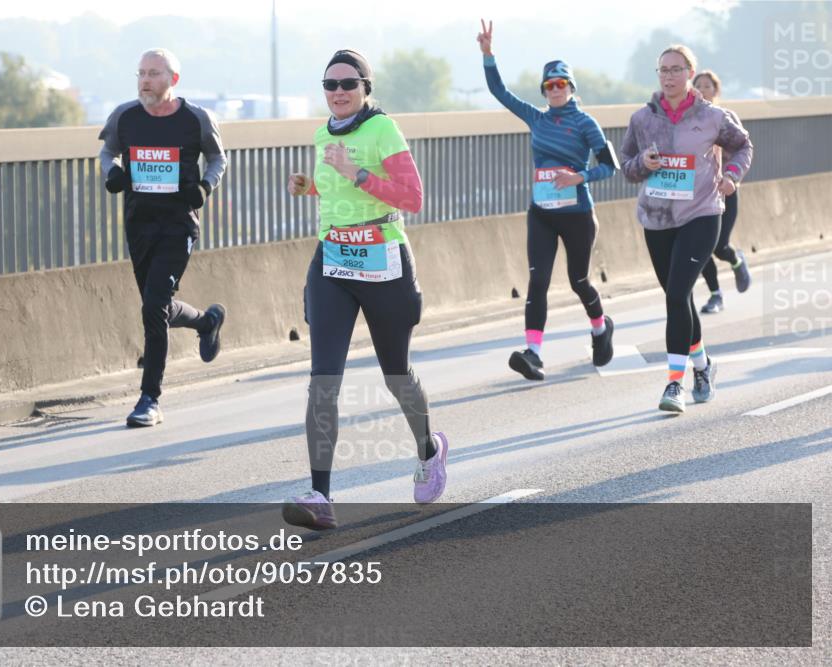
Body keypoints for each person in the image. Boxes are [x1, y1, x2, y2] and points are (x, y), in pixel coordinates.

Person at [281, 49, 447, 530]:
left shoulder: (382, 130)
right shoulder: (320, 133)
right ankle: (320, 495)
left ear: (365, 88)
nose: (338, 93)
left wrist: (356, 171)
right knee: (323, 379)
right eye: (329, 85)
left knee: (396, 374)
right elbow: (341, 195)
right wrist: (311, 186)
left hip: (384, 264)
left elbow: (412, 198)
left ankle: (428, 448)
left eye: (348, 84)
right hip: (333, 261)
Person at [477, 19, 619, 382]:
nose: (555, 89)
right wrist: (488, 54)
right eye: (549, 85)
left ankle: (601, 327)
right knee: (537, 281)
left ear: (571, 88)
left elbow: (609, 166)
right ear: (544, 91)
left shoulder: (586, 123)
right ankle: (533, 353)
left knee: (579, 281)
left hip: (577, 214)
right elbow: (500, 92)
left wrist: (579, 177)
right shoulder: (537, 119)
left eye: (561, 84)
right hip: (541, 213)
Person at [99, 48, 228, 427]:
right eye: (140, 73)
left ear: (173, 79)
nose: (145, 80)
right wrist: (113, 172)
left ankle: (149, 398)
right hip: (139, 223)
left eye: (154, 73)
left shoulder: (197, 118)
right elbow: (108, 152)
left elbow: (218, 158)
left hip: (178, 225)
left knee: (154, 306)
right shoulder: (124, 116)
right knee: (156, 307)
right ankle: (206, 323)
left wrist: (205, 187)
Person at [621, 45, 752, 413]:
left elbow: (743, 147)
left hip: (702, 213)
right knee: (679, 299)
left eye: (676, 69)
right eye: (663, 69)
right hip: (657, 218)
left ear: (690, 73)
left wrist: (732, 175)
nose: (669, 75)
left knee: (676, 295)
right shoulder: (642, 119)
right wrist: (643, 163)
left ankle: (673, 384)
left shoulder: (712, 116)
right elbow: (627, 167)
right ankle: (703, 366)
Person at [693, 70, 752, 314]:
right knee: (700, 247)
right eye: (698, 86)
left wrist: (731, 176)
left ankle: (736, 260)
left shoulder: (726, 118)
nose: (702, 90)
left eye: (708, 86)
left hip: (725, 192)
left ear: (716, 91)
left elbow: (743, 148)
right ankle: (715, 295)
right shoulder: (687, 120)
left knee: (719, 246)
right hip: (697, 196)